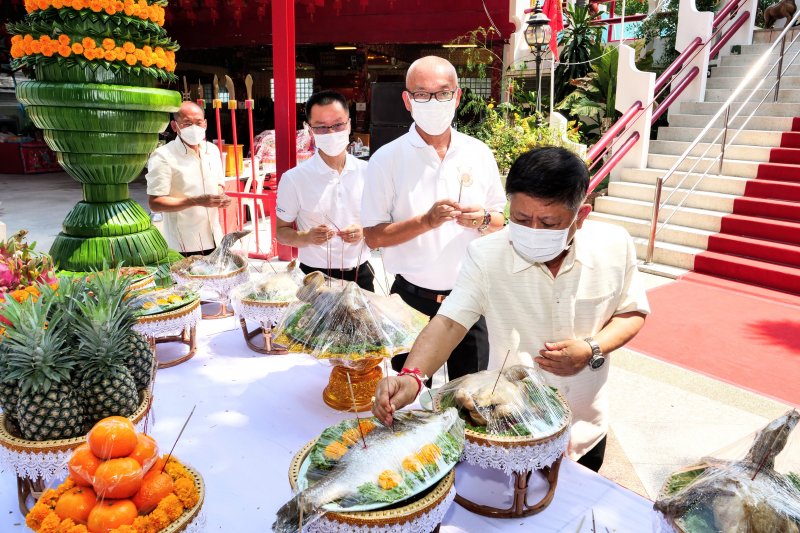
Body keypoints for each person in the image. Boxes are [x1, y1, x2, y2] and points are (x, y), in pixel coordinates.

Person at [371, 147, 650, 472]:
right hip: (510, 428)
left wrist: (591, 349)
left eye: (549, 223)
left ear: (581, 215)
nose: (533, 231)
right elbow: (449, 323)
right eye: (520, 218)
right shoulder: (486, 254)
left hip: (586, 425)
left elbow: (632, 312)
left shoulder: (615, 245)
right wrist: (413, 378)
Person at [362, 56, 506, 381]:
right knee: (406, 400)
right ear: (407, 100)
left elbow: (500, 221)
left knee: (470, 397)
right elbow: (373, 237)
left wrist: (483, 220)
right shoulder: (387, 159)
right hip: (409, 300)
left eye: (442, 93)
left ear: (456, 97)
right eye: (422, 94)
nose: (433, 102)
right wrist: (425, 222)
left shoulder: (478, 152)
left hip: (469, 297)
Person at [275, 90, 373, 291]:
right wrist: (307, 237)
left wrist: (364, 232)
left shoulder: (369, 172)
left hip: (359, 273)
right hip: (315, 276)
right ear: (310, 130)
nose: (331, 133)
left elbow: (383, 223)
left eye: (338, 124)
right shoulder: (294, 178)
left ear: (349, 124)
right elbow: (282, 233)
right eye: (321, 127)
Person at [147, 101, 231, 256]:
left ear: (205, 124)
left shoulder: (212, 150)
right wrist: (196, 201)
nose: (194, 127)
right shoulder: (164, 156)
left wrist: (220, 198)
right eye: (187, 123)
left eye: (198, 122)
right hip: (185, 243)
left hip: (215, 237)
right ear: (174, 126)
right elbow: (155, 203)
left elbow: (219, 184)